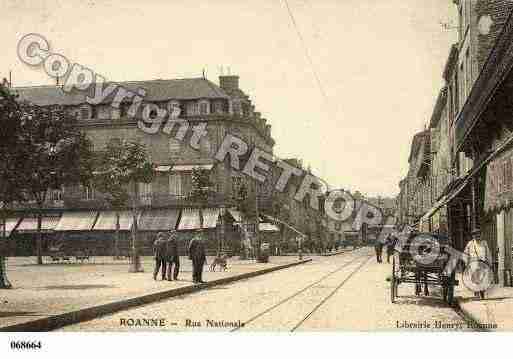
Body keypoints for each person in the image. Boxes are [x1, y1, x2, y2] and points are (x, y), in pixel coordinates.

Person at [464, 229, 492, 300]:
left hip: (483, 263)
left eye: (478, 234)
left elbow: (488, 253)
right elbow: (465, 254)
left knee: (483, 279)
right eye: (475, 235)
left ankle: (482, 293)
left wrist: (489, 262)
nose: (477, 236)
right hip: (473, 264)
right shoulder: (470, 244)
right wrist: (466, 263)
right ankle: (477, 292)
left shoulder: (484, 243)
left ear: (480, 235)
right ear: (473, 236)